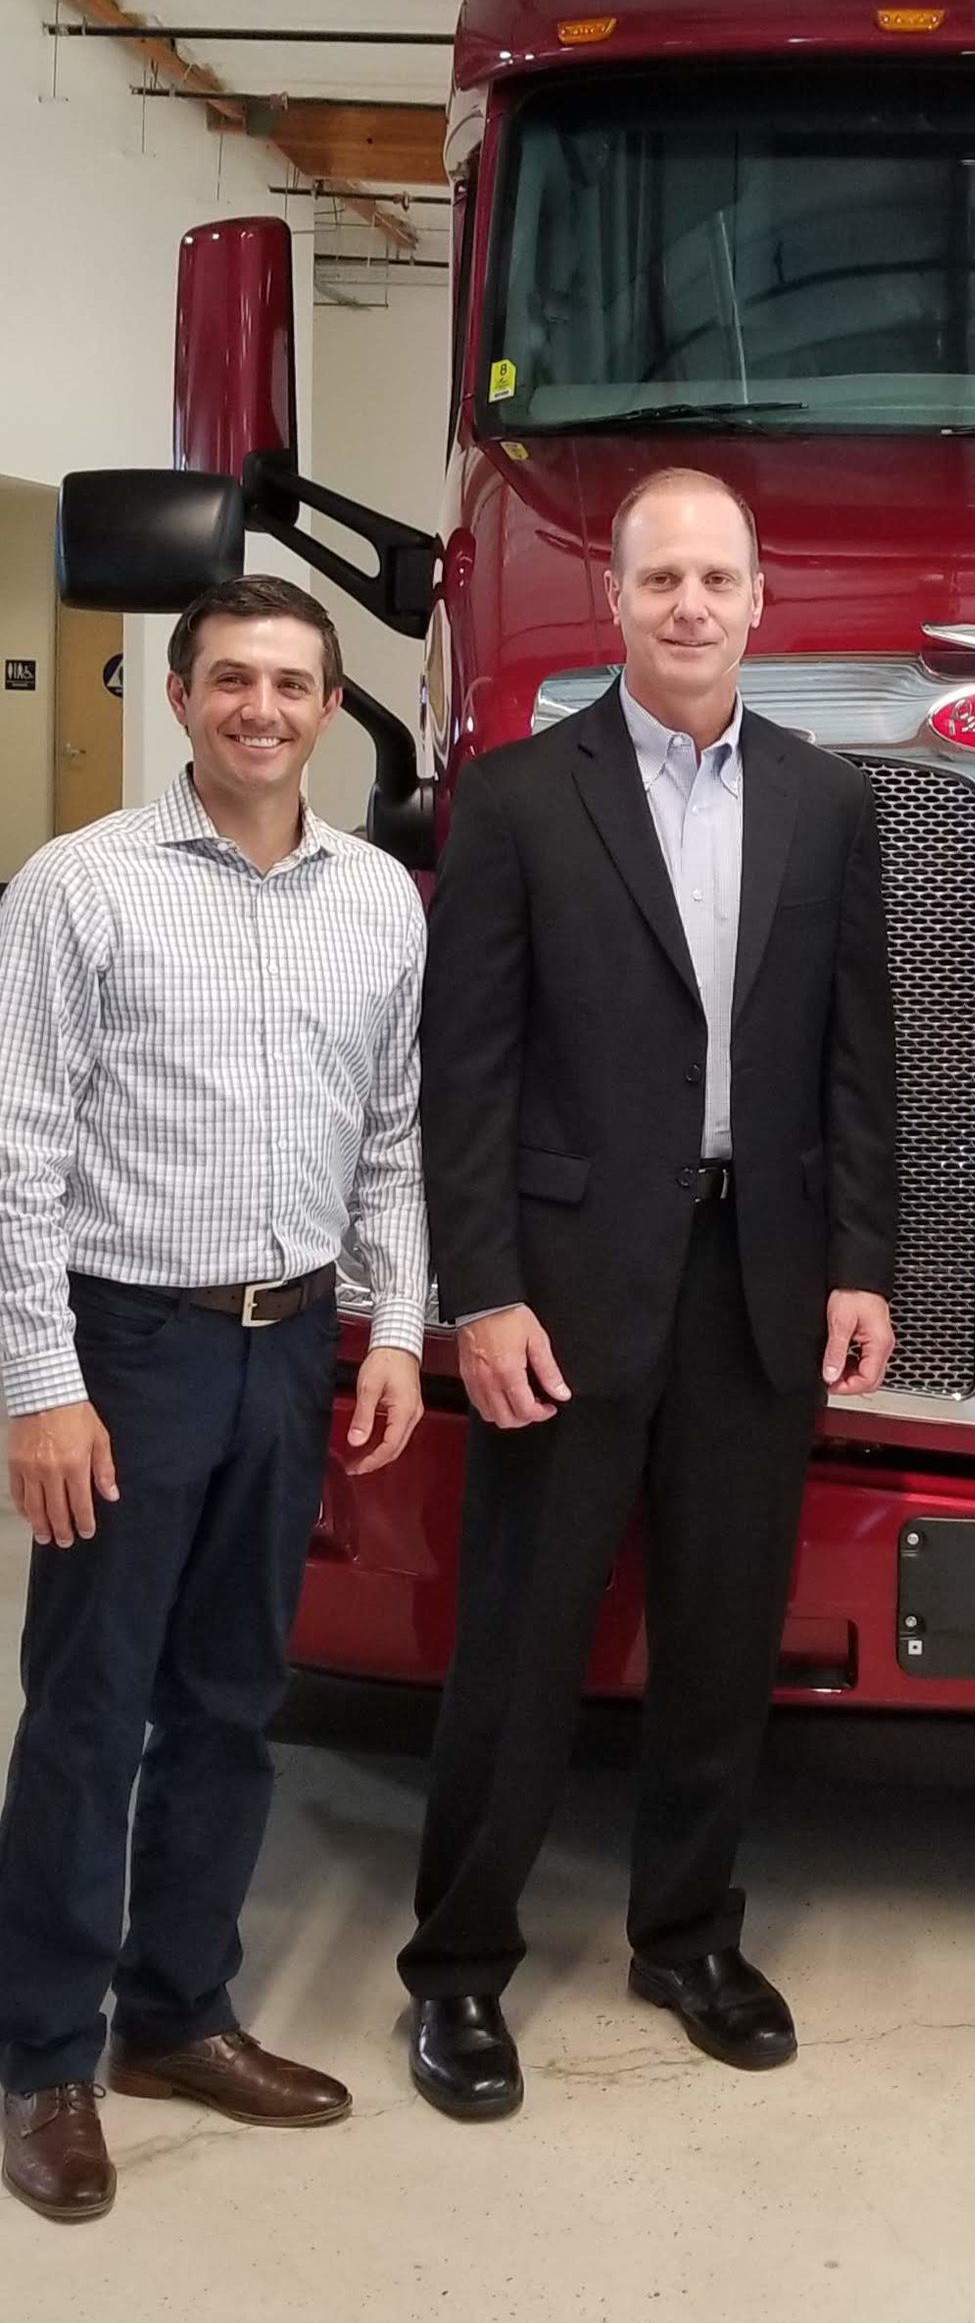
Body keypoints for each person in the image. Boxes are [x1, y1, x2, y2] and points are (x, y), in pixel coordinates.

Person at [401, 466, 896, 2118]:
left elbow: (859, 1072)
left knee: (718, 1639)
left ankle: (686, 1933)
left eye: (719, 579)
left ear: (765, 600)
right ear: (613, 599)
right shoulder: (523, 798)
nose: (691, 606)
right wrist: (480, 1290)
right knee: (523, 1641)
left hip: (753, 1281)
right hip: (560, 1289)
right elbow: (461, 1079)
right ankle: (459, 1968)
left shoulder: (830, 805)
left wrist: (861, 1269)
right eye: (661, 579)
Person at [0, 575, 428, 2224]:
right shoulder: (79, 888)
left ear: (331, 709)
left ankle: (175, 2016)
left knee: (237, 1699)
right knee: (91, 1710)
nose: (264, 709)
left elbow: (390, 1134)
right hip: (129, 1348)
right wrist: (43, 1390)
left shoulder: (378, 898)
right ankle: (44, 2049)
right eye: (232, 679)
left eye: (295, 685)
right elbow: (23, 1158)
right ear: (176, 695)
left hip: (291, 1343)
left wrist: (395, 1331)